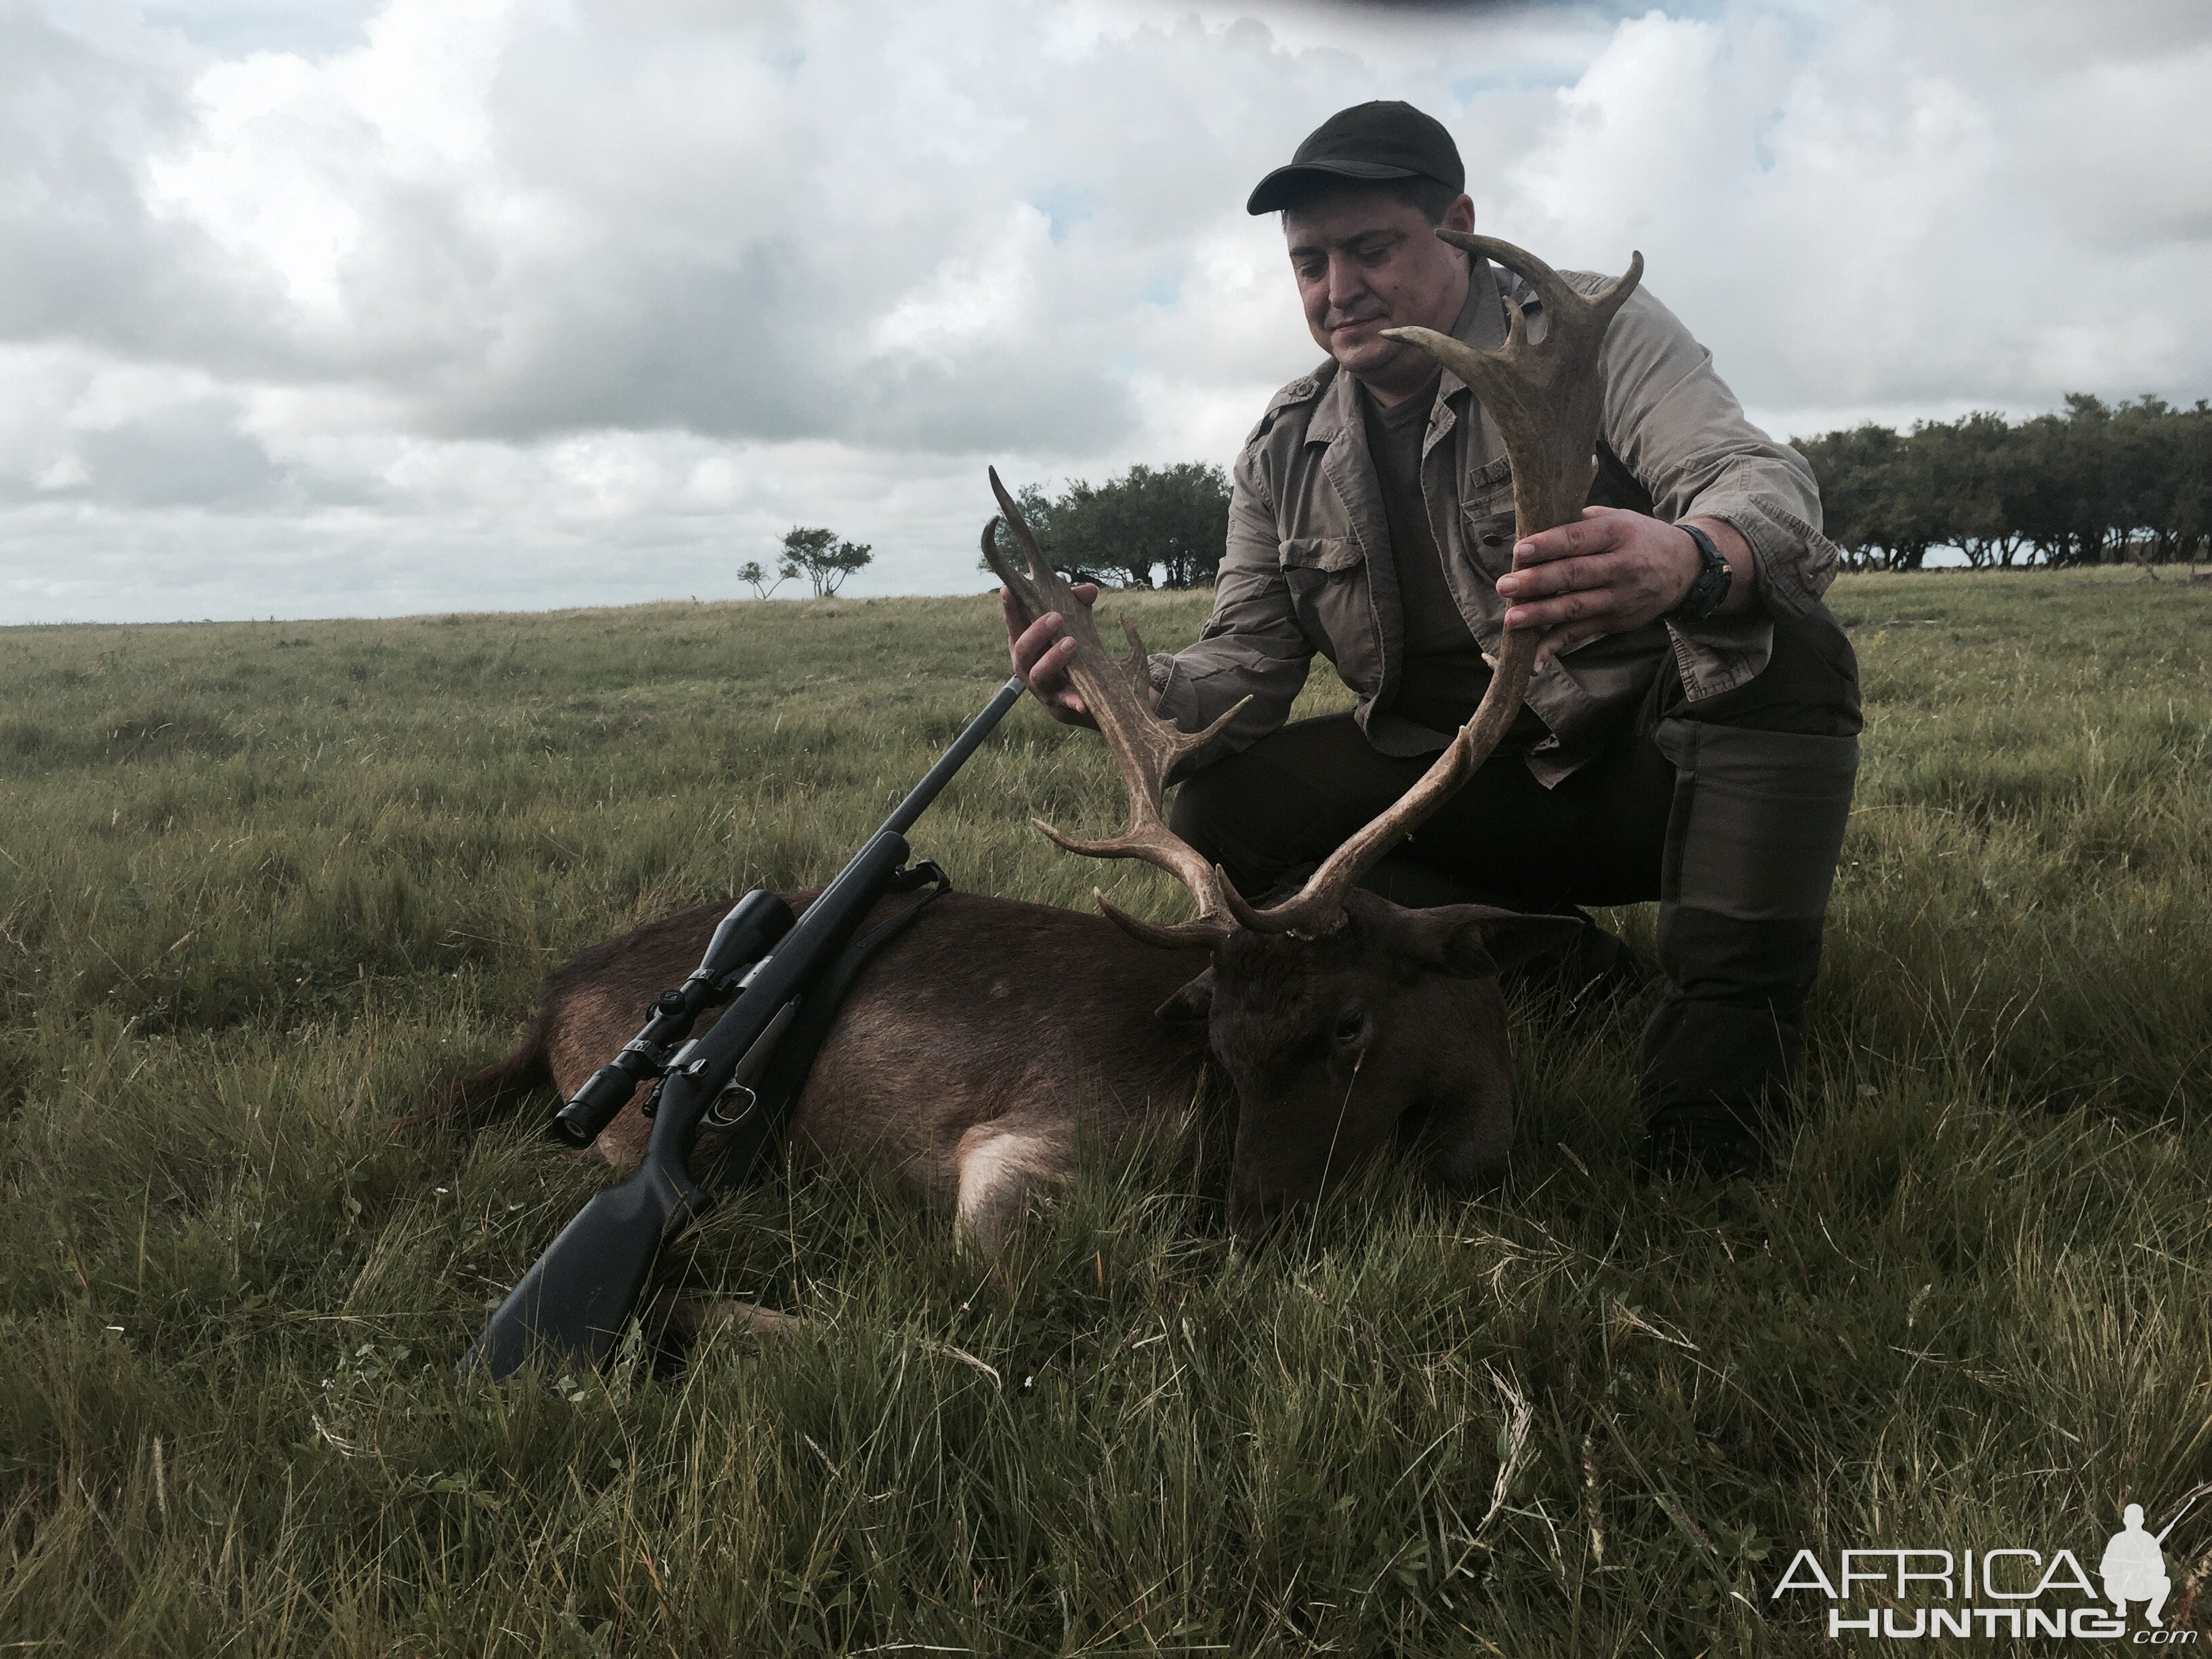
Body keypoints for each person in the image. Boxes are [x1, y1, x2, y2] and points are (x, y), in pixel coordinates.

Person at [1002, 100, 1861, 1176]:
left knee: (1790, 642)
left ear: (1456, 226)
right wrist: (1124, 688)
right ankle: (1549, 974)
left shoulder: (1589, 334)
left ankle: (1712, 1109)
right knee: (1225, 805)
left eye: (1371, 250)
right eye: (1309, 262)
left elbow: (1760, 484)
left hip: (1653, 774)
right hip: (1463, 788)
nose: (1337, 289)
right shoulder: (1284, 447)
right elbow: (1246, 666)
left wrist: (1694, 557)